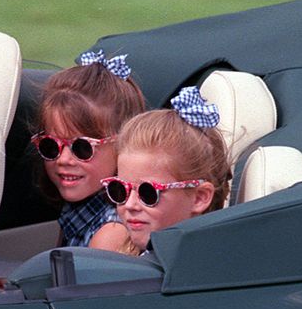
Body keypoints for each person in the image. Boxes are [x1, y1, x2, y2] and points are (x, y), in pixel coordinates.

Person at [33, 49, 146, 251]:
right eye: (50, 146)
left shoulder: (111, 234)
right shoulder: (82, 212)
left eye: (82, 148)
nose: (63, 159)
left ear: (123, 146)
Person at [102, 86, 231, 255]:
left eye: (148, 193)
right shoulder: (125, 254)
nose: (130, 204)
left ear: (199, 198)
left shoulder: (198, 270)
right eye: (119, 190)